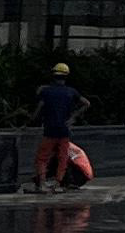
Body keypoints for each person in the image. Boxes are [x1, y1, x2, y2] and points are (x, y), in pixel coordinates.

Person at [32, 59, 91, 191]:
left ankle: (42, 184)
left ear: (53, 75)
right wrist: (73, 117)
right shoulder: (71, 92)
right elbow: (87, 103)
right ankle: (58, 184)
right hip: (64, 130)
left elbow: (38, 109)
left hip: (49, 130)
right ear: (66, 76)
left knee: (42, 157)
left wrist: (31, 120)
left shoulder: (46, 91)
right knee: (62, 157)